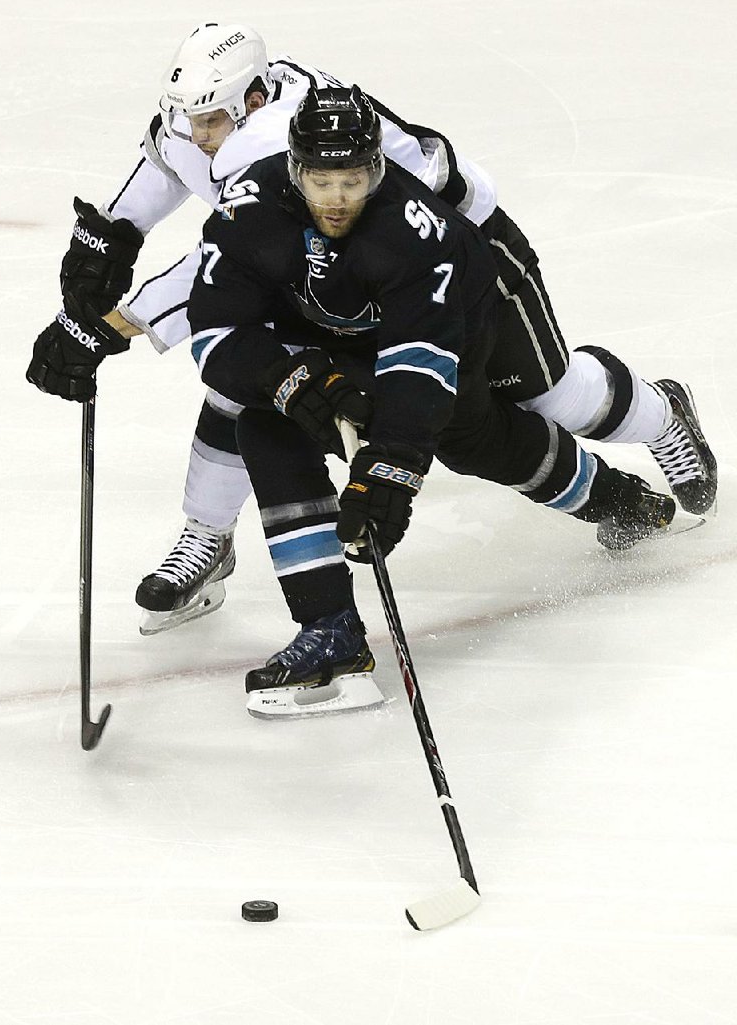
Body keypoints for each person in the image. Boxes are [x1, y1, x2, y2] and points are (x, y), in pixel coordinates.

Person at [26, 23, 717, 637]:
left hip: (462, 261)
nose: (193, 133)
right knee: (251, 384)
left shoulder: (273, 142)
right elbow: (176, 185)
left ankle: (661, 414)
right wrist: (103, 243)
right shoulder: (230, 106)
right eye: (188, 117)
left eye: (207, 121)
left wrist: (109, 327)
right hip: (337, 274)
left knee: (549, 394)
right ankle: (206, 537)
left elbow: (213, 267)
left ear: (255, 105)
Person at [171, 84, 689, 715]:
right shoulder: (245, 210)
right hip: (325, 332)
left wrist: (392, 471)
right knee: (266, 426)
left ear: (378, 169)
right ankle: (329, 629)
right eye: (322, 181)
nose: (337, 200)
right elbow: (219, 330)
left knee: (474, 443)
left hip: (459, 322)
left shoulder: (415, 231)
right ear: (294, 169)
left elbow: (418, 366)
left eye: (355, 180)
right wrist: (291, 378)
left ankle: (620, 498)